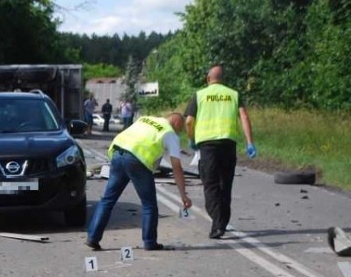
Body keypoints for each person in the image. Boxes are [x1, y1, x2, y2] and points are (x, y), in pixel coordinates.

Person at [86, 113, 192, 251]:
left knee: (107, 200)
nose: (180, 132)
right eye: (181, 129)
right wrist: (183, 195)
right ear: (177, 124)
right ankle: (149, 242)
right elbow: (176, 167)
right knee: (149, 205)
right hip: (137, 161)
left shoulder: (145, 119)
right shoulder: (170, 133)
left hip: (118, 153)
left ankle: (93, 237)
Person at [184, 64, 256, 239]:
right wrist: (249, 143)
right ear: (222, 79)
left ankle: (217, 224)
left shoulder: (199, 95)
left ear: (208, 79)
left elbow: (188, 121)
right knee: (225, 184)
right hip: (228, 144)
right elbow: (244, 117)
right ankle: (222, 221)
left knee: (210, 184)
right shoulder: (233, 94)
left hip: (208, 145)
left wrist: (192, 139)